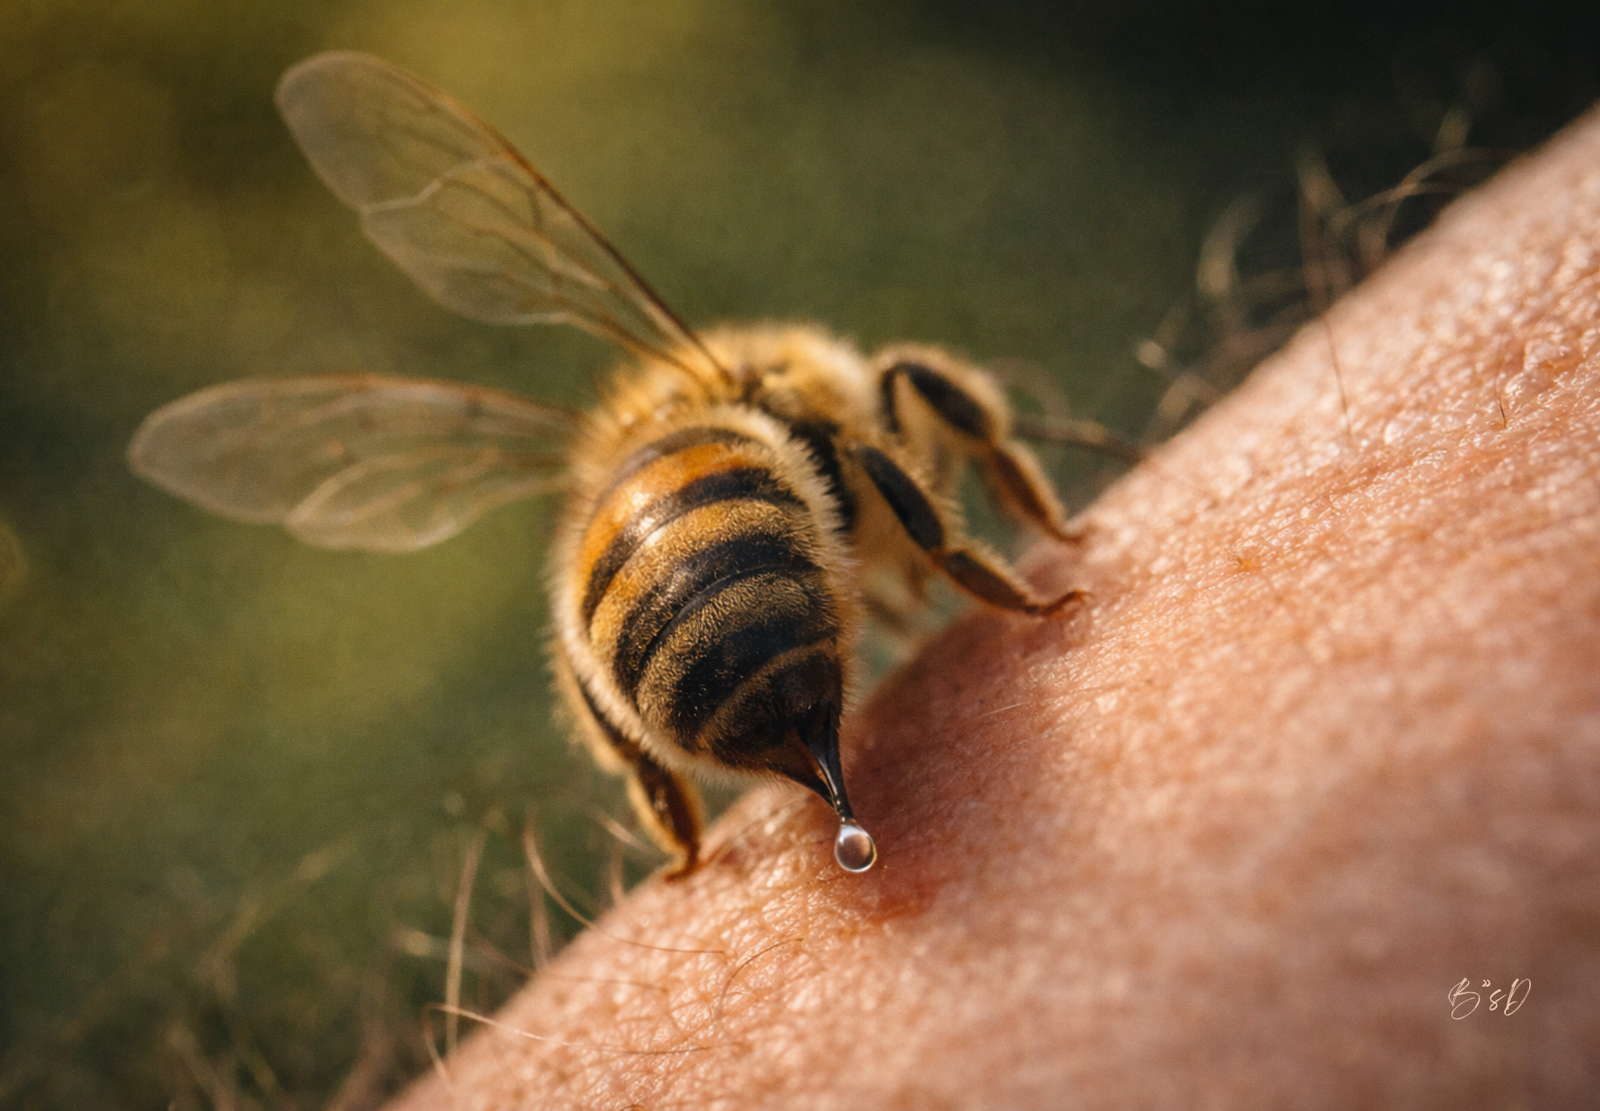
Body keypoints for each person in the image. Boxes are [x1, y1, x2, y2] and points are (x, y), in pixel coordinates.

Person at [382, 109, 1600, 1109]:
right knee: (899, 384)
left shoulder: (633, 464)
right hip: (745, 581)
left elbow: (600, 610)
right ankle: (1004, 585)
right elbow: (883, 431)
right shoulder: (829, 403)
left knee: (589, 590)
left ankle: (684, 836)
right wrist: (1027, 565)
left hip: (665, 675)